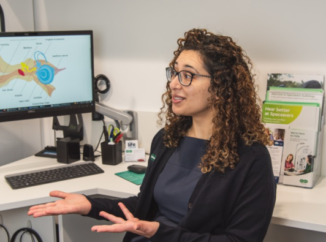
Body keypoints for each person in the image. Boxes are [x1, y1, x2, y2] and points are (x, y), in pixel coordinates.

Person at [28, 29, 276, 242]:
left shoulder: (251, 158)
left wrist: (160, 232)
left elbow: (239, 240)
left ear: (221, 87)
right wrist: (90, 204)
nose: (174, 84)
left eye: (187, 75)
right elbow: (143, 205)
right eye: (174, 72)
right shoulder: (168, 139)